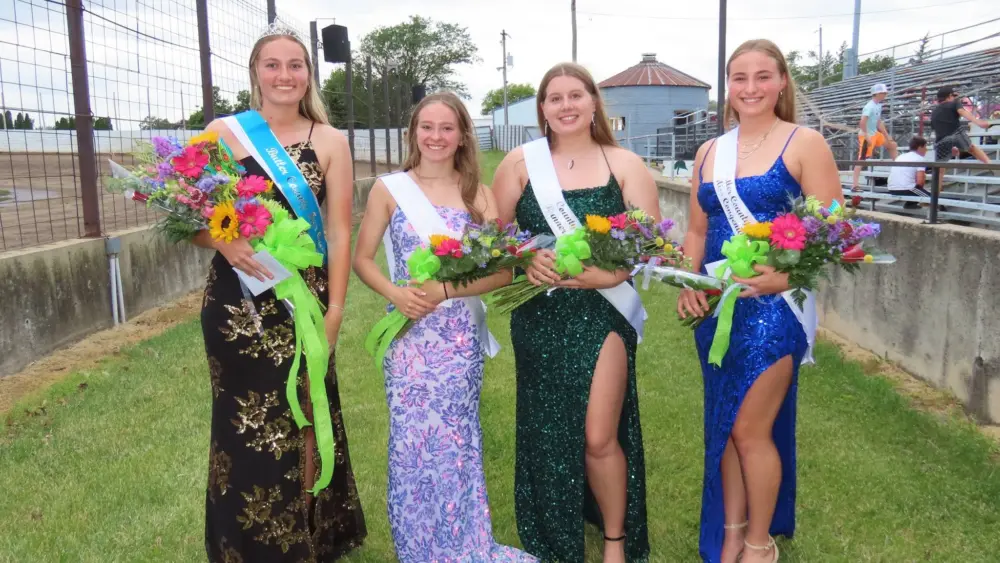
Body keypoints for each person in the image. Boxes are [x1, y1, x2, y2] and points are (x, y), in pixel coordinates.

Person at [195, 24, 366, 562]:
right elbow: (191, 222)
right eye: (273, 64)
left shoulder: (331, 141)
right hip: (236, 302)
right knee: (240, 421)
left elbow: (339, 233)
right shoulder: (222, 133)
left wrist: (336, 308)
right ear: (256, 73)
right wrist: (226, 244)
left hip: (304, 304)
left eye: (296, 65)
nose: (285, 75)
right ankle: (240, 545)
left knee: (306, 415)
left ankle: (304, 544)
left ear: (308, 75)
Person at [352, 92, 537, 563]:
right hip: (409, 336)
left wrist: (447, 292)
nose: (436, 137)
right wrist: (396, 294)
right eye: (427, 127)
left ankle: (462, 543)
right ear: (414, 132)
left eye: (447, 128)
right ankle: (417, 549)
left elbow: (503, 270)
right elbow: (362, 259)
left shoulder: (478, 194)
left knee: (455, 443)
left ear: (461, 135)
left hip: (458, 340)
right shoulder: (388, 189)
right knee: (412, 447)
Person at [677, 39, 843, 563]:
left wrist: (783, 276)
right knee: (726, 427)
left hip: (775, 308)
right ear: (729, 86)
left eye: (762, 76)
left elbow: (835, 230)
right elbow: (698, 230)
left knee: (751, 429)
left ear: (782, 82)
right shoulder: (709, 152)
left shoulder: (804, 142)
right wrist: (689, 283)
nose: (750, 88)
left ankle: (759, 542)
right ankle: (730, 531)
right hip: (720, 306)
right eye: (740, 78)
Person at [492, 62, 661, 563]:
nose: (565, 106)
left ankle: (615, 539)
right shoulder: (519, 164)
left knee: (597, 435)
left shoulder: (624, 163)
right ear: (542, 109)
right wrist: (523, 257)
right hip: (539, 315)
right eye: (554, 98)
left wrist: (609, 275)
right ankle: (558, 535)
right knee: (548, 431)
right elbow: (493, 239)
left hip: (602, 313)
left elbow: (650, 247)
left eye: (575, 95)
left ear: (593, 103)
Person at [852, 83, 898, 191]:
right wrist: (867, 136)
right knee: (862, 160)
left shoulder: (878, 105)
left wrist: (887, 136)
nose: (885, 95)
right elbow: (862, 122)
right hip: (866, 135)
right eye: (883, 93)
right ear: (876, 94)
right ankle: (854, 185)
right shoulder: (869, 106)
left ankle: (898, 169)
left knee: (892, 145)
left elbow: (878, 122)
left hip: (874, 134)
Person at [931, 86, 992, 164]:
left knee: (940, 165)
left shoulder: (934, 112)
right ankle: (989, 164)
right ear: (950, 96)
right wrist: (978, 122)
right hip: (956, 133)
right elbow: (962, 112)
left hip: (941, 140)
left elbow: (937, 129)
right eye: (953, 96)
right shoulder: (954, 103)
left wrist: (950, 146)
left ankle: (938, 176)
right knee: (972, 148)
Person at [887, 136, 933, 209]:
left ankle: (910, 204)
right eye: (925, 147)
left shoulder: (900, 156)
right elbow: (920, 182)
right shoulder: (920, 159)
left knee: (917, 189)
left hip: (891, 189)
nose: (926, 150)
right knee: (934, 198)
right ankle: (942, 214)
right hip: (906, 190)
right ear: (920, 147)